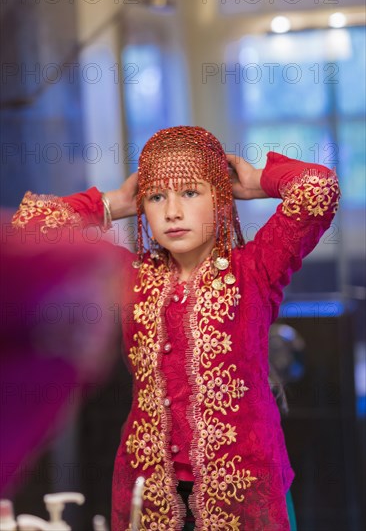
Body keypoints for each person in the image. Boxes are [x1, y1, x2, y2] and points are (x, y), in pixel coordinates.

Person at [11, 126, 340, 530]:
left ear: (219, 198)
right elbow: (30, 227)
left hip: (243, 484)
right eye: (156, 196)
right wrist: (113, 202)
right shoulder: (131, 275)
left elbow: (317, 189)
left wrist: (257, 181)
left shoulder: (255, 269)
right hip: (148, 487)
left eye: (190, 192)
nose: (171, 212)